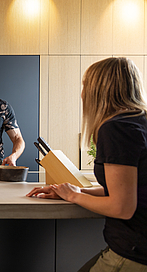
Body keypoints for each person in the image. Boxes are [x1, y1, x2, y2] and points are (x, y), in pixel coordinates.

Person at [27, 57, 147, 271]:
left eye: (85, 85)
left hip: (134, 252)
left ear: (99, 90)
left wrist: (74, 196)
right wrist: (77, 190)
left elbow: (122, 207)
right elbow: (131, 190)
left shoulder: (116, 129)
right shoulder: (139, 122)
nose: (82, 93)